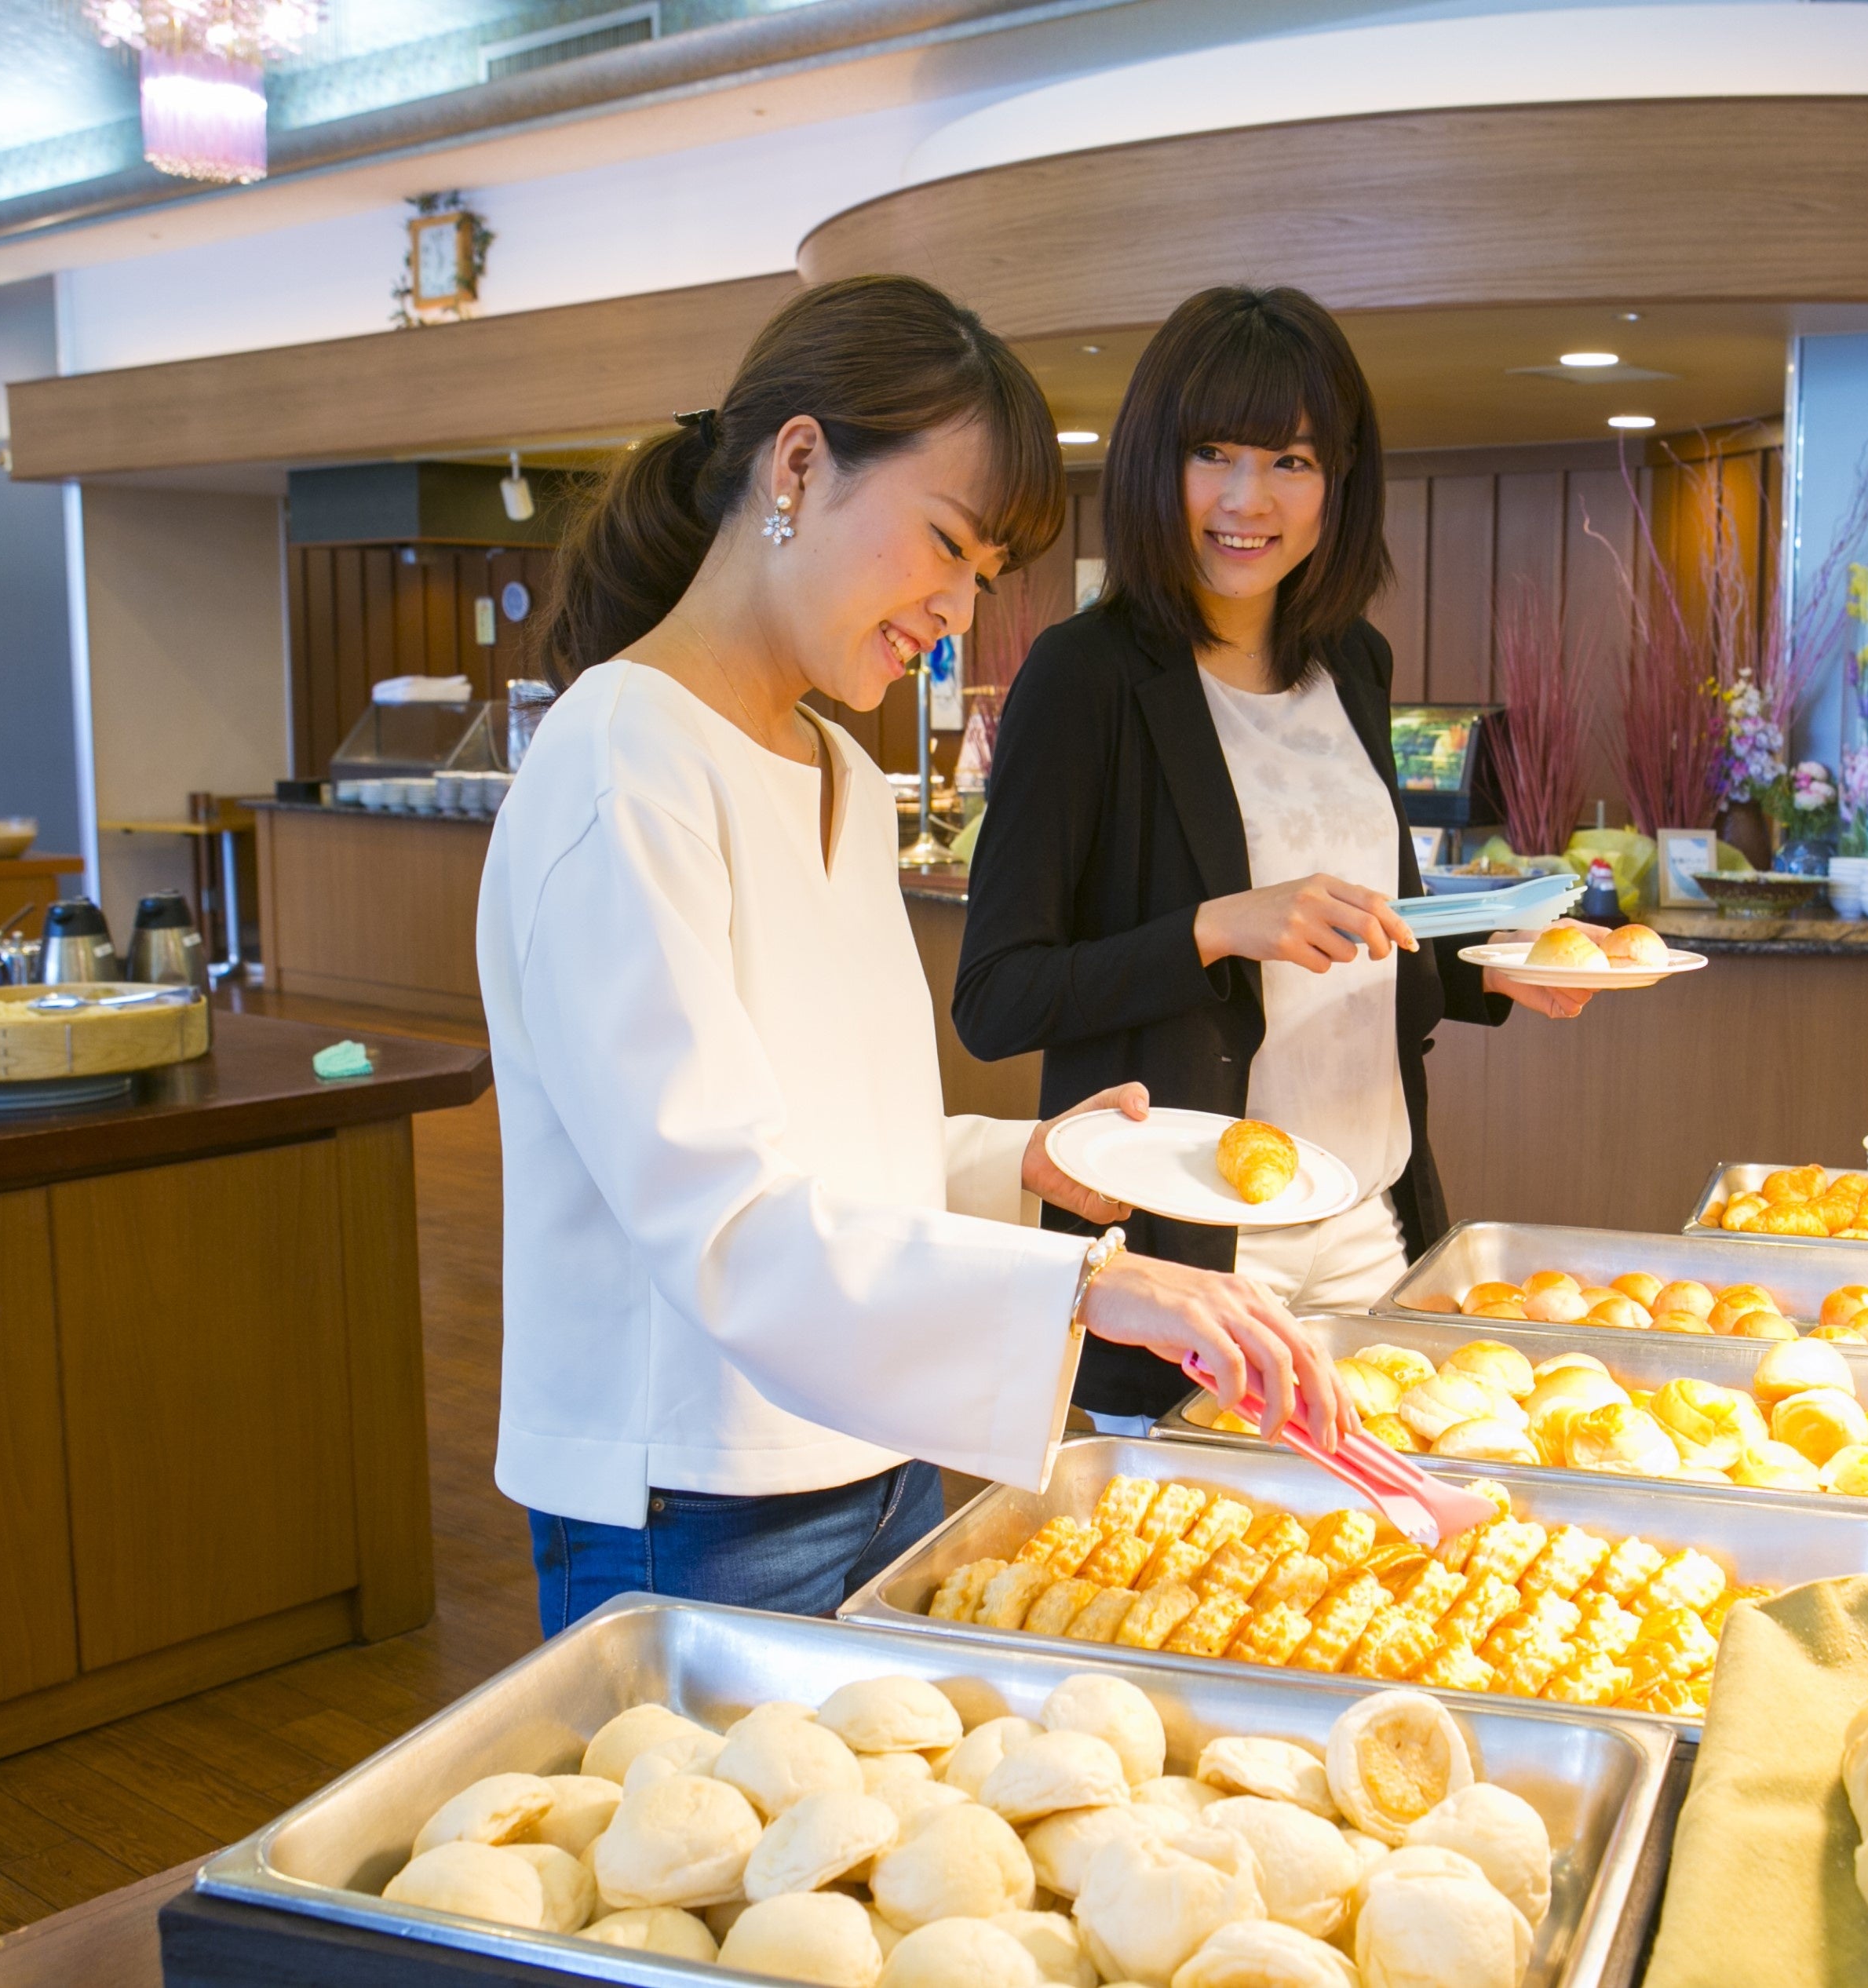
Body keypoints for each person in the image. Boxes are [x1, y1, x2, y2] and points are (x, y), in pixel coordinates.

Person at [479, 275, 1344, 1635]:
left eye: (981, 576)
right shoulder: (621, 759)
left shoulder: (832, 761)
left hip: (883, 1454)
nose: (956, 606)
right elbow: (722, 1218)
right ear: (799, 464)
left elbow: (832, 1143)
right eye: (944, 542)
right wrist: (1090, 1284)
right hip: (700, 1496)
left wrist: (1020, 1162)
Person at [954, 285, 1589, 1432]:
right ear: (1156, 463)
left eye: (1291, 461)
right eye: (1213, 453)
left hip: (1376, 1215)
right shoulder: (1085, 677)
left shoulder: (1353, 661)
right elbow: (998, 997)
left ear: (1339, 481)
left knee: (1387, 1527)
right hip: (1195, 1253)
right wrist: (1213, 929)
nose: (1248, 500)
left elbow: (1378, 930)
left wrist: (1505, 965)